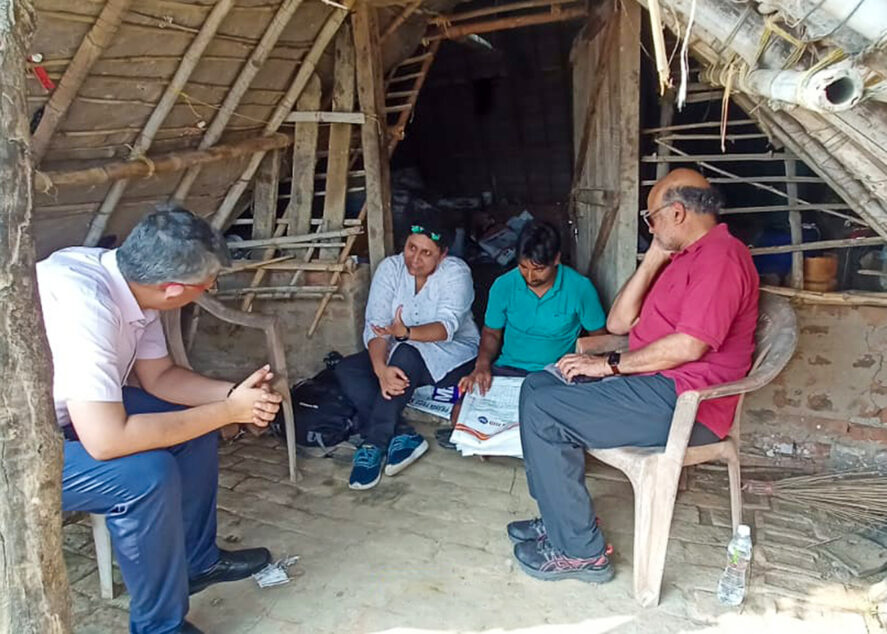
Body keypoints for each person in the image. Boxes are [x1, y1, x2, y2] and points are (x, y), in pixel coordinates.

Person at [38, 207, 283, 634]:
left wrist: (232, 396)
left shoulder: (133, 286)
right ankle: (160, 628)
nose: (211, 289)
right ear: (174, 289)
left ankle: (196, 562)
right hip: (17, 447)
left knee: (193, 429)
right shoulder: (85, 302)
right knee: (145, 475)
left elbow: (160, 377)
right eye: (208, 284)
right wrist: (228, 412)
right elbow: (107, 440)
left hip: (66, 414)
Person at [508, 169, 759, 583]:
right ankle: (559, 520)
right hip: (656, 387)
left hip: (685, 404)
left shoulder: (721, 257)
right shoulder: (683, 258)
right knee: (538, 385)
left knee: (546, 411)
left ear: (676, 213)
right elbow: (619, 322)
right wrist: (656, 256)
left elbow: (689, 347)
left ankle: (580, 552)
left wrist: (608, 365)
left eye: (651, 218)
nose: (650, 227)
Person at [336, 215, 479, 490]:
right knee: (348, 369)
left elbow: (447, 328)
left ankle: (374, 443)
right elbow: (376, 327)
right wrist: (380, 370)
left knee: (405, 352)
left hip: (451, 355)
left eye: (427, 253)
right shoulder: (390, 269)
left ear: (443, 254)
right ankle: (402, 434)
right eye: (412, 247)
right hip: (400, 353)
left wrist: (406, 333)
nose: (415, 258)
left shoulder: (456, 272)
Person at [437, 221, 606, 448]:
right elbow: (491, 333)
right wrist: (482, 365)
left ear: (556, 259)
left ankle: (495, 445)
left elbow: (599, 337)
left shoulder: (579, 288)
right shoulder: (504, 285)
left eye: (538, 269)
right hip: (508, 369)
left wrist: (585, 370)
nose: (529, 276)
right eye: (523, 267)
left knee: (557, 421)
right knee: (461, 412)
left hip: (555, 373)